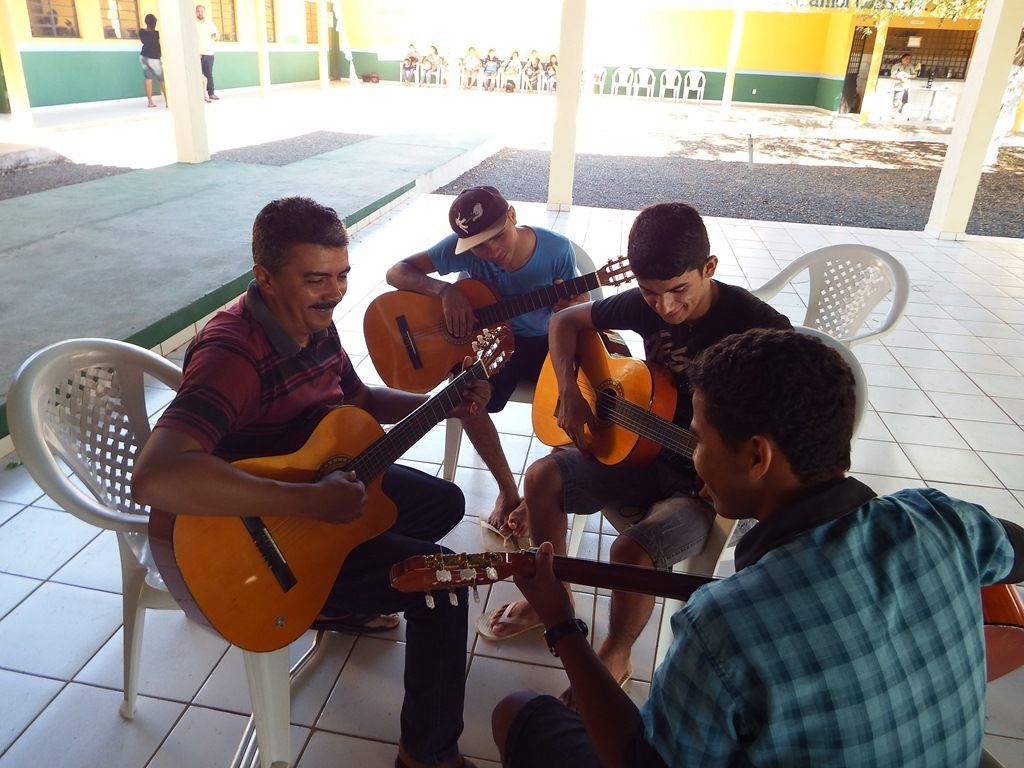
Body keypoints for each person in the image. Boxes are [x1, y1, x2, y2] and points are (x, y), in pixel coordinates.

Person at [492, 327, 1024, 768]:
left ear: (756, 458)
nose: (695, 458)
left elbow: (640, 761)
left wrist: (562, 624)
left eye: (701, 439)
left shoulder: (722, 625)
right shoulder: (940, 518)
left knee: (517, 712)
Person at [131, 197, 487, 768]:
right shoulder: (232, 354)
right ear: (265, 278)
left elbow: (361, 400)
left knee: (441, 500)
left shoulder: (314, 327)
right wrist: (309, 501)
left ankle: (333, 599)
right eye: (315, 278)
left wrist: (439, 404)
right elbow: (155, 476)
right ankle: (427, 754)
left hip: (304, 502)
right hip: (255, 542)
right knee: (440, 585)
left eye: (342, 275)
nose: (334, 292)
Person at [477, 203, 791, 697]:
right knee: (540, 479)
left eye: (678, 291)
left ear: (709, 268)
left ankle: (616, 653)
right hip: (642, 451)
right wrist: (568, 394)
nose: (663, 307)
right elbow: (565, 324)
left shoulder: (760, 330)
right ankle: (552, 601)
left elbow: (787, 428)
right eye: (650, 293)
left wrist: (735, 474)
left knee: (630, 551)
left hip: (706, 488)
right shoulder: (643, 303)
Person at [385, 185, 586, 546]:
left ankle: (543, 492)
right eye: (479, 246)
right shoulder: (460, 248)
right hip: (491, 345)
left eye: (497, 237)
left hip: (544, 341)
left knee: (578, 390)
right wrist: (445, 291)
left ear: (512, 215)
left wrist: (571, 306)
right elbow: (397, 272)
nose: (491, 251)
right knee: (463, 394)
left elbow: (574, 309)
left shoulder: (556, 249)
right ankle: (509, 492)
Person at [138, 14, 167, 108]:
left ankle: (150, 102)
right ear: (155, 23)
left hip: (143, 57)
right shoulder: (157, 34)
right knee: (162, 80)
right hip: (154, 59)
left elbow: (145, 42)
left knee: (148, 79)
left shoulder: (141, 32)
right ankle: (168, 101)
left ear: (146, 22)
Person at [195, 4, 219, 102]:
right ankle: (200, 95)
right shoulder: (193, 24)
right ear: (195, 12)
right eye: (198, 11)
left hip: (209, 53)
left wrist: (215, 36)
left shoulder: (210, 24)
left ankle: (211, 93)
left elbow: (217, 35)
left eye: (202, 11)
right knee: (198, 75)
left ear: (204, 13)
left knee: (208, 74)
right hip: (197, 54)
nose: (200, 13)